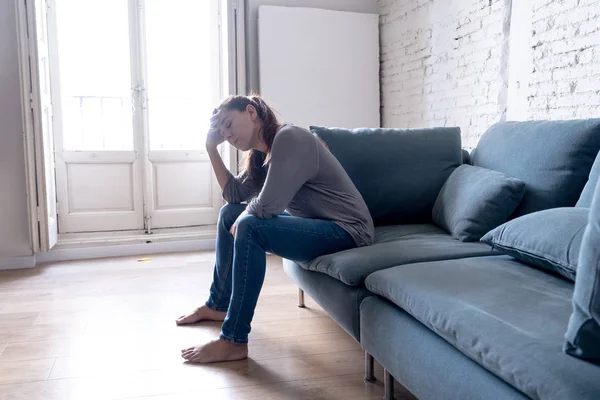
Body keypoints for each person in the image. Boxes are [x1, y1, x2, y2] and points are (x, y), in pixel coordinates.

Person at [176, 94, 374, 363]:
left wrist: (246, 216)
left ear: (251, 112)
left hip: (348, 230)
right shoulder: (261, 155)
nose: (226, 134)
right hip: (318, 225)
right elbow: (234, 195)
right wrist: (211, 148)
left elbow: (268, 205)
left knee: (249, 225)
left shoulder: (290, 138)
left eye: (228, 124)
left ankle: (233, 340)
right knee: (229, 214)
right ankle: (218, 304)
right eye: (220, 131)